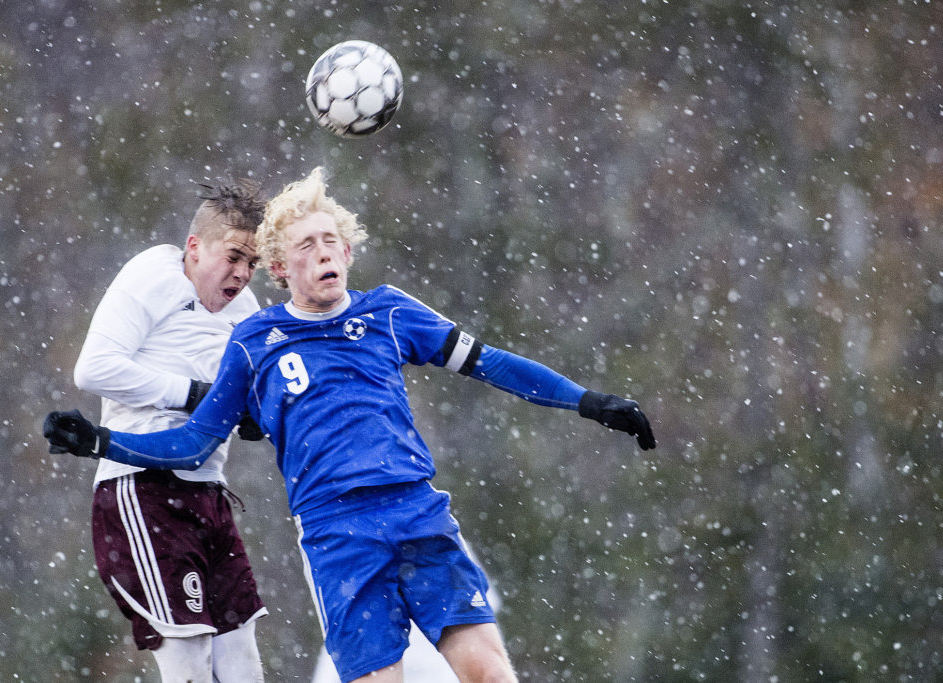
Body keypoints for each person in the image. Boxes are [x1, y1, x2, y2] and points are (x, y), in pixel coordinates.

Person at [44, 166, 656, 683]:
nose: (323, 252)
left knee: (489, 673)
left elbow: (491, 363)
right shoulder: (254, 341)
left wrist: (589, 401)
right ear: (280, 266)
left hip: (418, 513)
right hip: (338, 537)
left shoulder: (389, 312)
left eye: (331, 240)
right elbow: (196, 440)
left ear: (348, 252)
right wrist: (103, 441)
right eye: (305, 245)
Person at [68, 180, 269, 682]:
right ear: (194, 247)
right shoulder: (153, 273)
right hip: (142, 490)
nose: (242, 273)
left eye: (252, 263)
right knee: (190, 659)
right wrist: (193, 395)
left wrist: (256, 416)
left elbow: (255, 397)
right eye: (234, 257)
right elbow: (93, 369)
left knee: (243, 664)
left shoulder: (247, 311)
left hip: (210, 491)